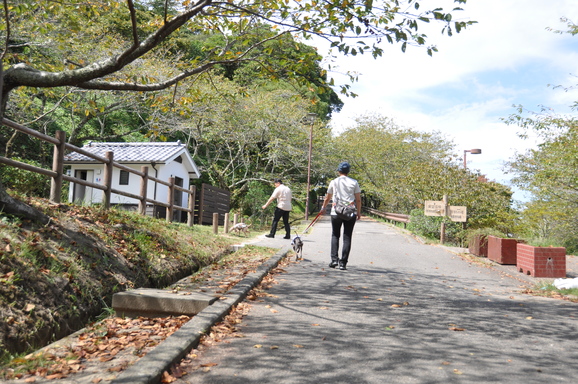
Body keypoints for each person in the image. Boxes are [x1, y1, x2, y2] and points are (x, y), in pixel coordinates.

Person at [320, 162, 361, 270]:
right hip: (350, 212)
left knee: (335, 235)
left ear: (339, 171)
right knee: (347, 237)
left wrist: (323, 208)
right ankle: (343, 263)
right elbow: (358, 199)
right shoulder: (354, 182)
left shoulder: (334, 182)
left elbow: (327, 197)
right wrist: (359, 212)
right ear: (348, 171)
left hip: (336, 212)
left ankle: (334, 260)